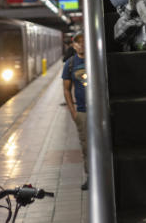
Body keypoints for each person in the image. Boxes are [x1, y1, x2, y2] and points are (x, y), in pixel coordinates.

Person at [62, 31, 89, 190]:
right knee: (86, 146)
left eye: (84, 41)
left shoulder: (96, 59)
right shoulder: (70, 63)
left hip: (99, 111)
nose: (81, 44)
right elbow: (66, 89)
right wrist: (73, 111)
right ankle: (91, 176)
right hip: (82, 111)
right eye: (78, 42)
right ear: (73, 45)